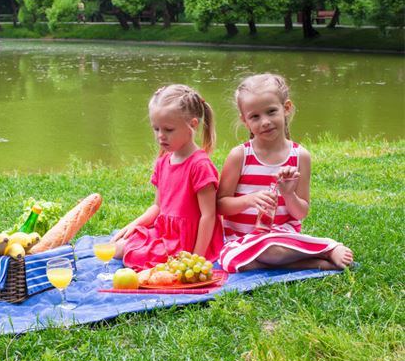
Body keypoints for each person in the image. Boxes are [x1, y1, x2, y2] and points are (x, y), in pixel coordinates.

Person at [217, 73, 354, 272]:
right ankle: (312, 261)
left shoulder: (300, 156)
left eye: (271, 111)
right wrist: (249, 200)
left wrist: (289, 194)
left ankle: (328, 247)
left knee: (272, 250)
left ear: (286, 108)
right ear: (244, 120)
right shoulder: (240, 155)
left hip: (281, 236)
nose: (264, 121)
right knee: (234, 263)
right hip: (241, 241)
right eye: (255, 116)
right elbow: (220, 205)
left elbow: (301, 212)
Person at [111, 84, 224, 271]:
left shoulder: (200, 165)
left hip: (187, 240)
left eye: (168, 130)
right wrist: (133, 224)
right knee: (118, 247)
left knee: (131, 254)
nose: (160, 136)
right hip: (164, 232)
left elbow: (208, 215)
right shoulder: (163, 162)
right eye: (156, 129)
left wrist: (194, 258)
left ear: (193, 125)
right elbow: (157, 206)